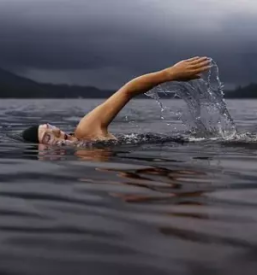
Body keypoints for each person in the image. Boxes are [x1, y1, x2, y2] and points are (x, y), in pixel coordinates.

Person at [22, 56, 210, 145]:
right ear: (43, 151)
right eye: (47, 137)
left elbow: (127, 91)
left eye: (49, 127)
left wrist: (169, 74)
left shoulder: (86, 131)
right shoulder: (83, 155)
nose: (55, 132)